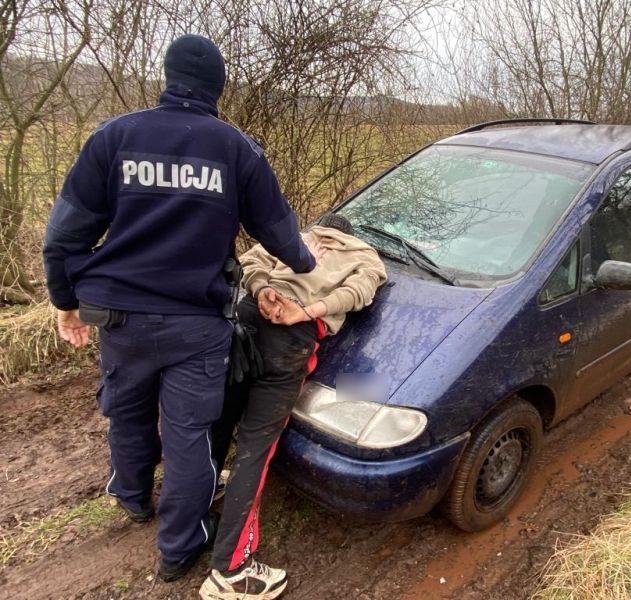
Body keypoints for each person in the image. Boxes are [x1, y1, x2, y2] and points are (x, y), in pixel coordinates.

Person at [42, 34, 319, 582]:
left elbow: (63, 238)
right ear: (218, 88)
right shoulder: (237, 149)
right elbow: (284, 237)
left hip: (120, 319)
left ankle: (131, 495)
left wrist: (65, 304)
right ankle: (177, 548)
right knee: (190, 435)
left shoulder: (115, 136)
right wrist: (307, 262)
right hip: (197, 325)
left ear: (167, 78)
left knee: (128, 410)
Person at [199, 213, 386, 600]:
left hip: (247, 321)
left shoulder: (294, 238)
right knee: (255, 450)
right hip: (291, 339)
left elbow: (248, 263)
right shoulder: (366, 256)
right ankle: (231, 571)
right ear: (347, 234)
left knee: (218, 421)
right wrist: (306, 311)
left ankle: (195, 514)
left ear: (324, 228)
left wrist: (264, 289)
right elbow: (359, 294)